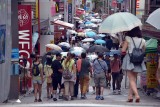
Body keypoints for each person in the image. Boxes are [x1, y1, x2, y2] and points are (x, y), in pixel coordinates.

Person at [121, 27, 146, 103]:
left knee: (131, 79)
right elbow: (144, 50)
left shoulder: (128, 38)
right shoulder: (143, 40)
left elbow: (123, 50)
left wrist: (122, 44)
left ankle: (137, 95)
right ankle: (130, 97)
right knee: (133, 79)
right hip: (138, 60)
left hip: (130, 59)